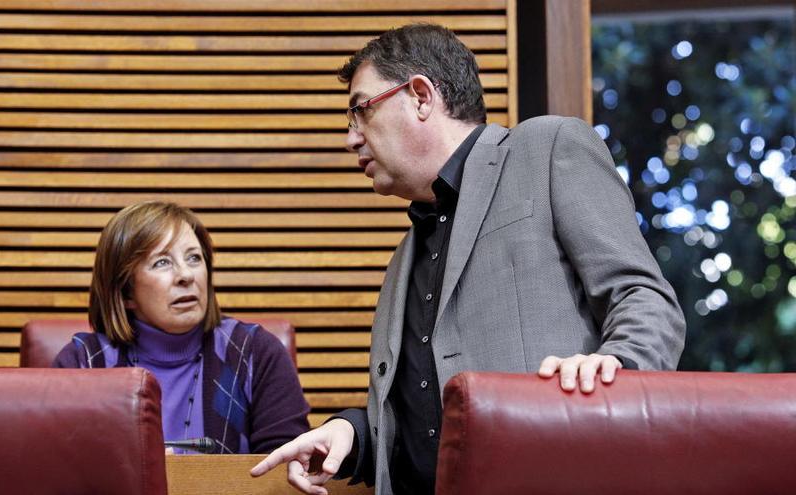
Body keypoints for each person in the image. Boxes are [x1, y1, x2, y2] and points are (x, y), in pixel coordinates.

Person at [251, 24, 687, 494]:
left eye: (360, 110)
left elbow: (645, 299)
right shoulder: (403, 260)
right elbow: (424, 423)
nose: (351, 138)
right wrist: (354, 433)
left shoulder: (546, 149)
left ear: (420, 95)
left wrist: (616, 367)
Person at [53, 200, 310, 454]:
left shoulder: (254, 352)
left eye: (194, 258)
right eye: (162, 262)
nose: (186, 275)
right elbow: (58, 470)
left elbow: (286, 470)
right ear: (125, 292)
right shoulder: (84, 363)